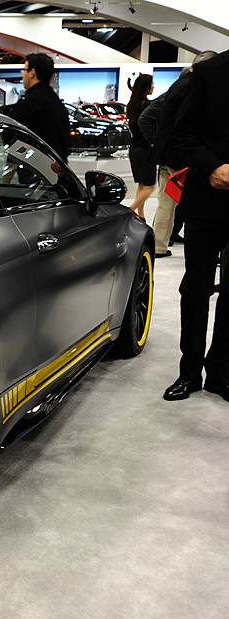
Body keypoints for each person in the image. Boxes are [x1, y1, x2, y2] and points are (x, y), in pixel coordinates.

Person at [164, 49, 229, 402]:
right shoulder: (209, 72)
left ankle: (220, 371)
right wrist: (212, 167)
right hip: (207, 200)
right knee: (196, 289)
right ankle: (189, 372)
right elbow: (182, 134)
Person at [139, 52, 217, 257]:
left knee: (167, 201)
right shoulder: (192, 87)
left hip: (167, 154)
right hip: (180, 155)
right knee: (183, 203)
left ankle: (159, 245)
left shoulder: (177, 85)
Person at [7, 53, 70, 161]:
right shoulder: (57, 103)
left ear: (32, 73)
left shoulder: (27, 104)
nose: (22, 75)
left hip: (35, 171)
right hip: (59, 170)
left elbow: (16, 143)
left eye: (24, 70)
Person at [126, 73, 155, 222]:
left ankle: (141, 216)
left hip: (134, 149)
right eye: (151, 84)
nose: (153, 86)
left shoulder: (132, 105)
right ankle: (130, 211)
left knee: (142, 185)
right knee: (150, 186)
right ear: (146, 87)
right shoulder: (148, 106)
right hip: (145, 150)